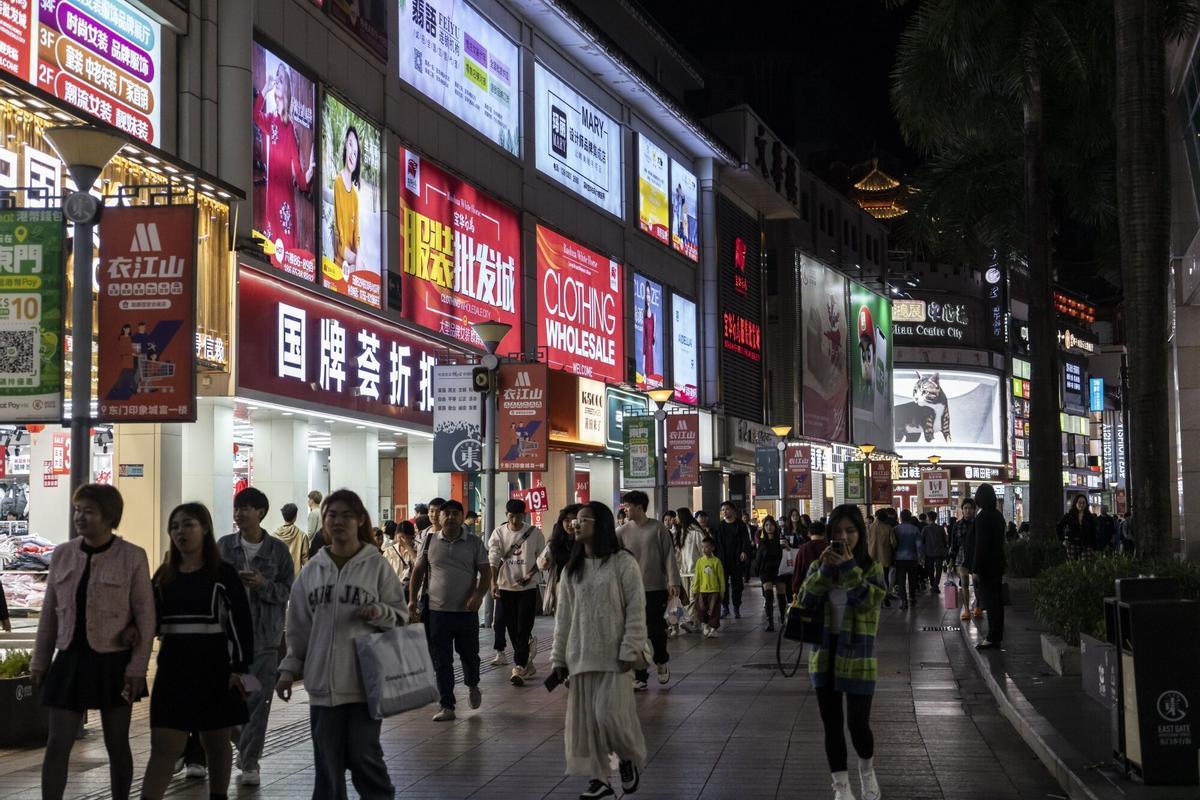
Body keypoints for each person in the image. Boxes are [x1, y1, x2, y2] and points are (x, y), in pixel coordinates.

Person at [276, 489, 405, 797]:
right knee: (327, 767)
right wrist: (288, 668)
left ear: (360, 520)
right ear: (324, 522)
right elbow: (298, 628)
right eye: (332, 515)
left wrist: (380, 612)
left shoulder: (376, 566)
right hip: (322, 686)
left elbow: (400, 617)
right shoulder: (312, 571)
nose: (338, 521)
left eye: (346, 515)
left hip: (365, 682)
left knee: (364, 756)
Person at [32, 484, 155, 800]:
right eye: (77, 510)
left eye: (89, 511)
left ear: (109, 516)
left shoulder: (132, 557)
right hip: (70, 657)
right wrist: (40, 662)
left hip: (114, 662)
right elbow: (49, 614)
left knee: (117, 743)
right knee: (58, 742)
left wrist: (138, 667)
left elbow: (145, 617)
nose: (80, 517)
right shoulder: (62, 553)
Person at [140, 503, 254, 800]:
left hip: (214, 669)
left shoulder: (222, 574)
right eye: (175, 526)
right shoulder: (164, 575)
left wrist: (239, 669)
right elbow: (148, 621)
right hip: (173, 670)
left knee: (215, 742)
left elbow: (241, 624)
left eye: (188, 524)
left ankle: (218, 795)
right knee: (164, 745)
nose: (180, 531)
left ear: (204, 528)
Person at [551, 501, 647, 800]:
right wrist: (558, 658)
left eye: (583, 520)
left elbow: (635, 609)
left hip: (615, 656)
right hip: (580, 655)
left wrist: (630, 647)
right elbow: (563, 616)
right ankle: (600, 779)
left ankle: (627, 756)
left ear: (601, 524)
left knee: (609, 716)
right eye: (573, 521)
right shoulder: (572, 569)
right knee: (589, 723)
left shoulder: (623, 563)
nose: (575, 525)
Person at [798, 504, 886, 800]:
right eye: (838, 532)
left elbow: (869, 602)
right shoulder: (817, 566)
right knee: (832, 724)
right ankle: (841, 786)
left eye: (850, 531)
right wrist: (824, 570)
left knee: (858, 724)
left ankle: (867, 771)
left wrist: (848, 568)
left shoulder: (871, 569)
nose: (844, 537)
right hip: (824, 653)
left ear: (860, 533)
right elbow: (805, 601)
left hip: (859, 654)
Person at [217, 487, 295, 786]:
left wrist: (263, 584)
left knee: (255, 700)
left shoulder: (277, 550)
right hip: (226, 644)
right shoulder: (224, 547)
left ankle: (250, 762)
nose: (239, 513)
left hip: (263, 643)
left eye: (246, 508)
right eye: (237, 508)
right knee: (226, 702)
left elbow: (287, 591)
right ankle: (242, 745)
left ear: (260, 512)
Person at [408, 499, 490, 720]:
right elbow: (417, 572)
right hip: (437, 612)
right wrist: (412, 600)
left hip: (466, 613)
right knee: (441, 661)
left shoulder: (474, 543)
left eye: (456, 513)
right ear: (440, 518)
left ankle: (473, 685)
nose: (451, 517)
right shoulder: (429, 540)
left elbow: (486, 573)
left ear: (462, 517)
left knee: (470, 657)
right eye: (447, 514)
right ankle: (447, 706)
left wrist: (478, 596)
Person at [616, 490, 681, 690]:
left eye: (627, 506)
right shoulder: (621, 532)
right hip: (629, 590)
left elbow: (669, 556)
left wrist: (673, 582)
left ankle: (661, 660)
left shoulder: (658, 528)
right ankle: (640, 675)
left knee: (654, 630)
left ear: (639, 506)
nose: (625, 509)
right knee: (635, 633)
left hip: (655, 587)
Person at [253, 61, 314, 254]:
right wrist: (265, 89)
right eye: (276, 78)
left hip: (285, 198)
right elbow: (254, 116)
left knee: (286, 250)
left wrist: (311, 170)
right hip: (272, 194)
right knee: (271, 251)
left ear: (286, 88)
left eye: (280, 79)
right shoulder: (271, 120)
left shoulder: (290, 130)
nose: (277, 81)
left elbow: (300, 177)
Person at [487, 498, 545, 687]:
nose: (514, 521)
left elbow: (542, 559)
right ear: (506, 515)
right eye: (511, 517)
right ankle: (525, 661)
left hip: (527, 588)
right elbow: (493, 558)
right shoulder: (499, 532)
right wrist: (493, 582)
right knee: (512, 627)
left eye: (518, 516)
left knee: (524, 627)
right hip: (505, 587)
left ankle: (518, 666)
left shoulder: (534, 533)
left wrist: (530, 575)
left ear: (524, 515)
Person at [968, 484, 1007, 650]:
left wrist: (975, 568)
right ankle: (996, 635)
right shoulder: (998, 516)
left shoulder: (983, 517)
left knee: (991, 602)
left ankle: (992, 637)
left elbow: (980, 545)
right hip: (997, 564)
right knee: (997, 602)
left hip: (986, 567)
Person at [539, 503, 582, 617]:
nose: (570, 524)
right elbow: (542, 562)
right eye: (566, 520)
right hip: (561, 587)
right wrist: (543, 563)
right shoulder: (555, 543)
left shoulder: (586, 543)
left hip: (582, 586)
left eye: (574, 520)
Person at [330, 124, 362, 275]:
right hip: (339, 267)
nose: (352, 155)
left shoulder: (355, 194)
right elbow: (340, 240)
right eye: (350, 145)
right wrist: (356, 259)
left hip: (353, 265)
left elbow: (357, 237)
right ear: (344, 145)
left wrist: (358, 258)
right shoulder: (338, 182)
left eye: (356, 153)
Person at [714, 501, 751, 618]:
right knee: (723, 584)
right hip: (723, 559)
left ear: (733, 511)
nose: (725, 511)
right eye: (723, 509)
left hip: (736, 559)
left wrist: (744, 551)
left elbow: (746, 540)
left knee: (737, 585)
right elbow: (716, 544)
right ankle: (725, 607)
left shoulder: (740, 525)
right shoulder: (720, 526)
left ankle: (736, 607)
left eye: (727, 509)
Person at [752, 515, 788, 631]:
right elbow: (758, 557)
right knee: (768, 596)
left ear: (775, 526)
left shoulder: (781, 540)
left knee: (781, 596)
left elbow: (789, 554)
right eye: (766, 525)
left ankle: (783, 619)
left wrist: (787, 546)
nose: (769, 527)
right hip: (766, 571)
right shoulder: (763, 542)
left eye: (771, 524)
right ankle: (770, 622)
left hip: (780, 570)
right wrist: (757, 571)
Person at [949, 499, 981, 621]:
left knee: (977, 584)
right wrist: (951, 561)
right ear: (962, 510)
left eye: (970, 508)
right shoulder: (957, 525)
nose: (968, 510)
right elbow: (953, 544)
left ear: (974, 509)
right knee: (965, 584)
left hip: (976, 557)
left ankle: (978, 606)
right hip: (961, 558)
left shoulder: (978, 524)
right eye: (965, 508)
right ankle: (967, 610)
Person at [675, 508, 705, 633]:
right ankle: (695, 621)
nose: (675, 519)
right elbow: (678, 554)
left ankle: (689, 621)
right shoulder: (680, 532)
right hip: (683, 571)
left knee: (693, 597)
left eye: (677, 516)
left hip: (695, 571)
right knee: (685, 598)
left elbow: (704, 550)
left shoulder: (696, 532)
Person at [692, 537, 725, 637]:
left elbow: (721, 578)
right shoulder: (699, 562)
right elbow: (697, 577)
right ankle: (705, 624)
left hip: (714, 590)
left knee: (714, 609)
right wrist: (695, 590)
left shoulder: (716, 562)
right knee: (702, 608)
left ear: (712, 548)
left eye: (707, 547)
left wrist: (722, 591)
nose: (704, 549)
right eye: (702, 547)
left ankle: (713, 629)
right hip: (702, 590)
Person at [892, 510, 924, 610]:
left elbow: (892, 544)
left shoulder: (896, 529)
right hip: (912, 558)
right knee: (912, 580)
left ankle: (903, 601)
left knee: (901, 581)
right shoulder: (915, 529)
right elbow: (919, 545)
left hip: (899, 558)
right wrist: (921, 558)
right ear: (910, 517)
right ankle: (912, 599)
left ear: (901, 517)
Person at [865, 509, 896, 609]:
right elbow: (894, 543)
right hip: (885, 556)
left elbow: (865, 542)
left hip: (871, 557)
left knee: (873, 578)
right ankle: (885, 596)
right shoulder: (888, 528)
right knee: (885, 577)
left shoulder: (869, 527)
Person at [273, 501, 309, 580]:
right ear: (295, 516)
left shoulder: (274, 536)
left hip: (278, 578)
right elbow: (306, 561)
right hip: (295, 578)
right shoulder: (302, 536)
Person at [1057, 494, 1096, 561]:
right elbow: (1059, 527)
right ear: (1075, 503)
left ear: (1086, 504)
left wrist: (1094, 546)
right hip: (1072, 544)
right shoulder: (1069, 515)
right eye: (1079, 502)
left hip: (1086, 545)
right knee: (1073, 566)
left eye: (1083, 503)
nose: (1081, 505)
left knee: (1086, 565)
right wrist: (1063, 540)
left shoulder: (1089, 517)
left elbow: (1093, 531)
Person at [384, 519, 417, 595]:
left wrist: (408, 548)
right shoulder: (389, 551)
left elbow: (419, 565)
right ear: (396, 535)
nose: (403, 540)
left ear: (412, 537)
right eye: (401, 537)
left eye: (407, 538)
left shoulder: (417, 550)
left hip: (410, 592)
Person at [795, 520, 829, 594]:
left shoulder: (803, 548)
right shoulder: (829, 547)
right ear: (824, 533)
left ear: (809, 534)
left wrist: (796, 590)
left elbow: (798, 571)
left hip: (807, 590)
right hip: (827, 590)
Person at [921, 512, 948, 595]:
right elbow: (945, 540)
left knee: (930, 569)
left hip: (929, 552)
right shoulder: (940, 528)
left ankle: (933, 585)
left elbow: (922, 540)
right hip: (939, 552)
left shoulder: (925, 529)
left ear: (928, 518)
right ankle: (936, 585)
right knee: (939, 569)